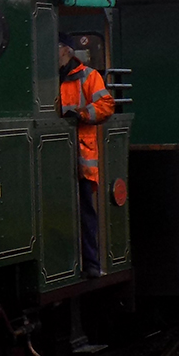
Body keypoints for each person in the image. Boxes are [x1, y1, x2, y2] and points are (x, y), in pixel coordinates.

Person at [59, 33, 115, 278]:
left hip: (81, 154)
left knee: (85, 210)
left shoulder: (89, 76)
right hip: (55, 156)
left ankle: (91, 262)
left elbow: (106, 105)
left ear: (66, 50)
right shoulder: (45, 79)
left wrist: (81, 114)